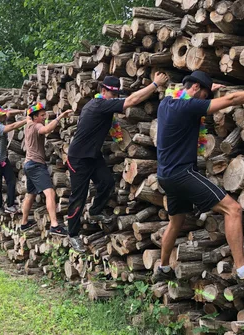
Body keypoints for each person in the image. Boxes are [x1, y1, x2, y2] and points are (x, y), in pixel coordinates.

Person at [153, 70, 244, 282]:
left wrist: (207, 90)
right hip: (182, 173)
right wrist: (210, 97)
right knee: (233, 209)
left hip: (165, 175)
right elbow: (231, 98)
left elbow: (195, 96)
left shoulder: (167, 103)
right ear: (195, 88)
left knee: (176, 221)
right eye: (204, 96)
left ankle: (163, 268)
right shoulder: (188, 106)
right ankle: (242, 270)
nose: (205, 101)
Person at [67, 73, 168, 252]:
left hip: (92, 155)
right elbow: (130, 101)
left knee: (106, 182)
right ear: (103, 91)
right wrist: (155, 84)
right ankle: (73, 235)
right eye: (113, 95)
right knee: (78, 197)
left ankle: (95, 211)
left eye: (116, 95)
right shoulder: (99, 105)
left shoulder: (100, 104)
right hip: (78, 158)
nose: (115, 98)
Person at [21, 102, 71, 233]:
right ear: (35, 117)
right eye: (42, 115)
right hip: (36, 165)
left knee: (30, 194)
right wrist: (59, 117)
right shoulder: (37, 125)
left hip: (28, 164)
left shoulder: (28, 124)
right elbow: (46, 130)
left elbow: (28, 115)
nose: (45, 117)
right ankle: (55, 225)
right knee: (50, 192)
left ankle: (24, 223)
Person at [0, 106, 27, 214]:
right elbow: (12, 126)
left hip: (3, 160)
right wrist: (26, 120)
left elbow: (9, 113)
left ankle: (10, 205)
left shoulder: (0, 120)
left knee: (11, 180)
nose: (5, 116)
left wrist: (22, 110)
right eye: (2, 115)